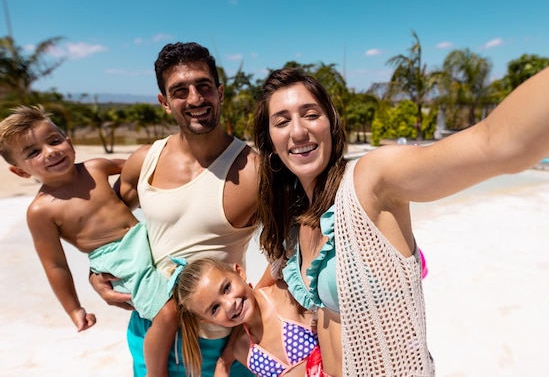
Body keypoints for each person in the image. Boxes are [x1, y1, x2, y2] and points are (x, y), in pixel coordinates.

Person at [252, 5, 549, 376]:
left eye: (311, 113)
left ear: (331, 123)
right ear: (270, 139)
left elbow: (496, 144)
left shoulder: (370, 181)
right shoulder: (296, 219)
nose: (298, 131)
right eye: (282, 121)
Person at [89, 42, 260, 376]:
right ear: (164, 103)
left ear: (220, 92)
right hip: (151, 330)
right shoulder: (144, 161)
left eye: (203, 86)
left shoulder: (254, 171)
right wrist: (96, 274)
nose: (195, 99)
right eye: (180, 91)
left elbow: (292, 253)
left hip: (221, 338)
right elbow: (103, 226)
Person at [0, 105, 178, 377]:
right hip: (117, 260)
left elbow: (142, 163)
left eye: (54, 140)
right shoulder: (42, 210)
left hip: (145, 239)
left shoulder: (95, 168)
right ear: (21, 172)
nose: (50, 151)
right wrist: (74, 309)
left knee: (188, 286)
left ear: (69, 142)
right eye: (33, 152)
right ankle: (154, 371)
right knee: (166, 312)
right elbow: (55, 265)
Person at [172, 257, 319, 377]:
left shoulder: (285, 295)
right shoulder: (243, 350)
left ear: (239, 272)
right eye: (215, 308)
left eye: (226, 288)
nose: (229, 305)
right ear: (209, 321)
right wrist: (221, 365)